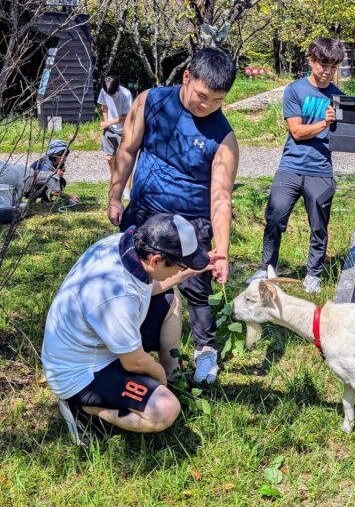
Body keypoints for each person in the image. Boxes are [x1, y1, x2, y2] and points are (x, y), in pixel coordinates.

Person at [107, 48, 239, 384]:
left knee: (196, 288)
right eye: (202, 96)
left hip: (190, 224)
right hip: (144, 212)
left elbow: (221, 198)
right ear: (186, 78)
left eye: (218, 100)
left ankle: (205, 352)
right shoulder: (150, 101)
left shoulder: (223, 138)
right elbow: (127, 149)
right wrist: (114, 196)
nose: (207, 105)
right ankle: (125, 345)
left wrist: (221, 251)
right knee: (130, 278)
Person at [42, 213, 220, 445]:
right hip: (82, 373)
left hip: (99, 345)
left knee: (170, 297)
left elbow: (151, 287)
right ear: (156, 260)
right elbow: (133, 361)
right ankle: (83, 408)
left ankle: (173, 374)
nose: (180, 270)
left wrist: (190, 271)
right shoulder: (117, 294)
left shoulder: (121, 245)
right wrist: (159, 377)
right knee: (164, 409)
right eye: (179, 264)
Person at [248, 38, 355, 292]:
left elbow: (351, 137)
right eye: (323, 64)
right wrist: (323, 124)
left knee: (319, 226)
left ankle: (313, 275)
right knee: (274, 217)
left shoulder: (339, 98)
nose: (327, 71)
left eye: (333, 66)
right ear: (311, 61)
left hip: (320, 170)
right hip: (291, 166)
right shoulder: (295, 90)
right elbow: (296, 131)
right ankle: (266, 268)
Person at [97, 75, 133, 201]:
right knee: (110, 157)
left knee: (126, 160)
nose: (111, 95)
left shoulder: (126, 94)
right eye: (109, 93)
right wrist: (106, 123)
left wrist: (109, 123)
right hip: (110, 129)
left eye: (112, 93)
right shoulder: (104, 90)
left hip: (125, 130)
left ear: (118, 88)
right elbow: (104, 106)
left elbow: (126, 115)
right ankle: (115, 182)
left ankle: (127, 190)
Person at [24, 139, 79, 203]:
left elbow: (58, 180)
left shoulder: (59, 161)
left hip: (43, 184)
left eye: (66, 153)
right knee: (43, 184)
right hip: (28, 189)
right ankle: (31, 203)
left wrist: (58, 176)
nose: (65, 157)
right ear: (54, 154)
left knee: (62, 181)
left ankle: (45, 200)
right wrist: (69, 197)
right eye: (62, 154)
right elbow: (54, 190)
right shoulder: (45, 166)